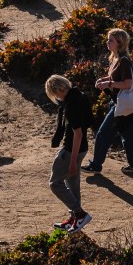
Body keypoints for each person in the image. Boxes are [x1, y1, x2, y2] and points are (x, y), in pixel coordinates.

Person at [82, 28, 133, 174]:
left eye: (111, 40)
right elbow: (117, 79)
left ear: (120, 43)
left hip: (120, 104)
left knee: (103, 134)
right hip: (121, 103)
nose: (107, 42)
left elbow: (128, 83)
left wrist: (109, 84)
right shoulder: (114, 58)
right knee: (129, 135)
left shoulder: (123, 61)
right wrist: (104, 80)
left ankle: (96, 165)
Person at [45, 74, 92, 232]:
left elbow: (77, 133)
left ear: (57, 90)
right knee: (72, 185)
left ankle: (80, 214)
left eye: (54, 93)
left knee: (55, 183)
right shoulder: (80, 96)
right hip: (82, 148)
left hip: (72, 149)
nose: (56, 97)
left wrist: (72, 161)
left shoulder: (70, 106)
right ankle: (75, 220)